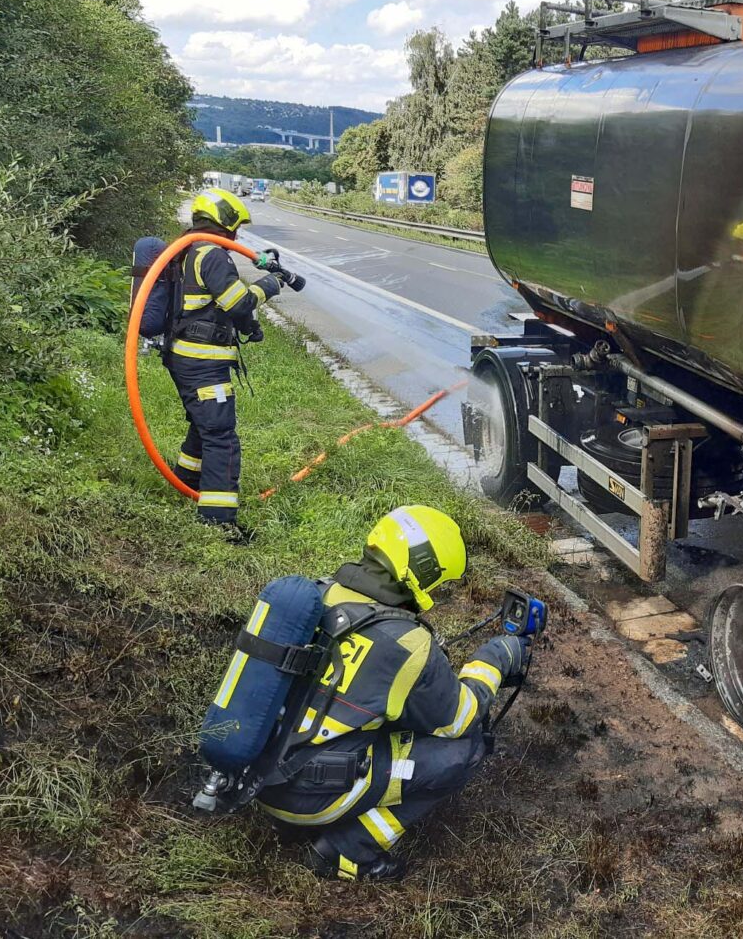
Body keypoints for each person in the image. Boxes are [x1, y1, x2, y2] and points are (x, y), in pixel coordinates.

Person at [254, 505, 530, 881]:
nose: (436, 591)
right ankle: (347, 851)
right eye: (438, 582)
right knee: (464, 751)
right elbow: (459, 720)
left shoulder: (321, 595)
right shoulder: (406, 643)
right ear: (422, 571)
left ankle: (295, 823)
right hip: (311, 793)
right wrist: (496, 658)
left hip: (260, 776)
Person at [167, 188, 284, 531]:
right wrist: (270, 285)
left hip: (186, 358)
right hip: (202, 362)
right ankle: (218, 521)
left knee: (203, 426)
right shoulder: (212, 255)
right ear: (222, 222)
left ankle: (185, 482)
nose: (236, 235)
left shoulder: (187, 250)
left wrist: (250, 327)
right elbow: (239, 303)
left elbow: (215, 305)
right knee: (221, 437)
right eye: (234, 226)